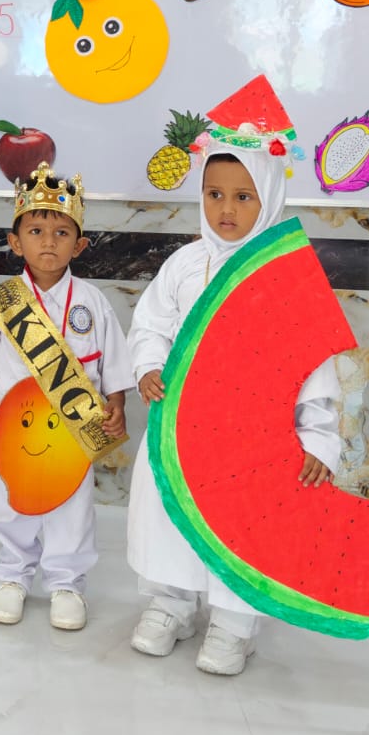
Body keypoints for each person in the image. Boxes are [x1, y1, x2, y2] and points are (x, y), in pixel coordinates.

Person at [125, 78, 341, 676]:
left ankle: (234, 622)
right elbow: (151, 324)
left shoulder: (288, 278)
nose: (226, 210)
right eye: (215, 194)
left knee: (245, 524)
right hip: (182, 427)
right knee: (169, 514)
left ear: (269, 195)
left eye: (244, 197)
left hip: (254, 438)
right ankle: (170, 602)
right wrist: (147, 366)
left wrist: (318, 438)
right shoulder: (184, 264)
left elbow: (314, 367)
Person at [0, 161, 133, 630]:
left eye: (61, 233)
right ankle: (12, 575)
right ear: (15, 242)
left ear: (79, 245)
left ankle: (66, 582)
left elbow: (114, 362)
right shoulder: (4, 303)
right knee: (8, 501)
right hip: (15, 430)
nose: (48, 242)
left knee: (72, 507)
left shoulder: (93, 302)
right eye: (36, 231)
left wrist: (117, 405)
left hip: (74, 430)